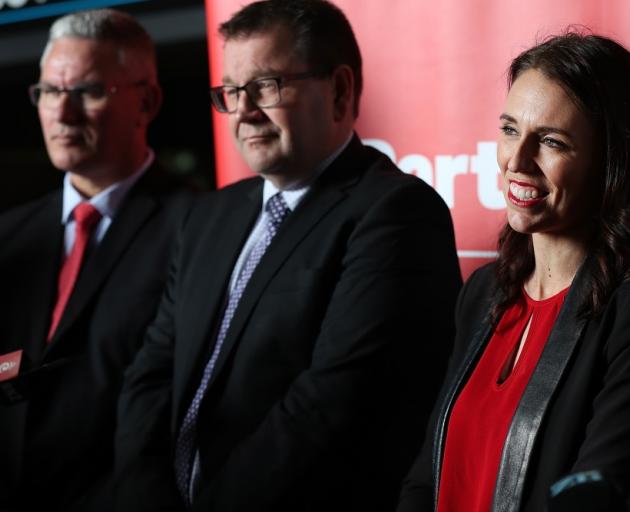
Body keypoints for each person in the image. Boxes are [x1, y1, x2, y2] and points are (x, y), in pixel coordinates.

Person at [114, 1, 462, 511]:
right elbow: (152, 373)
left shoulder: (395, 212)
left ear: (340, 90)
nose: (245, 111)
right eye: (232, 92)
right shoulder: (210, 215)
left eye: (267, 86)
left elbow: (333, 405)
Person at [397, 31, 630, 512]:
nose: (517, 162)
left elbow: (597, 495)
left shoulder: (624, 310)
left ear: (611, 163)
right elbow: (427, 475)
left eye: (551, 141)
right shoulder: (484, 293)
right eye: (509, 130)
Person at [0, 9, 193, 512]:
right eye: (47, 92)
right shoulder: (9, 236)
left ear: (146, 101)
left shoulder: (200, 227)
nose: (61, 115)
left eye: (85, 91)